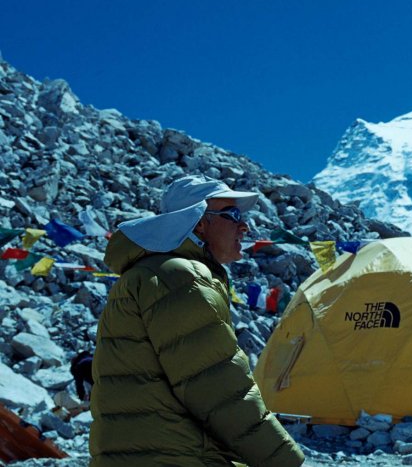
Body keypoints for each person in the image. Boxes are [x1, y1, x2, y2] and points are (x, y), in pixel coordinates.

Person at [89, 176, 304, 467]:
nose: (245, 226)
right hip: (176, 455)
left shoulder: (155, 273)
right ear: (199, 223)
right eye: (233, 215)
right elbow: (218, 388)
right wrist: (284, 460)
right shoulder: (178, 277)